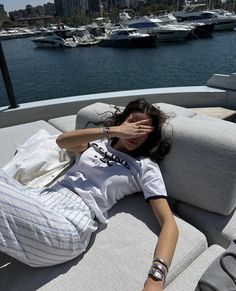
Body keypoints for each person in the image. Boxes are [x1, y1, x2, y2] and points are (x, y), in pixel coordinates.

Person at [0, 98, 178, 291]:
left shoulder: (145, 166)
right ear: (123, 120)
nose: (137, 131)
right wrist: (114, 131)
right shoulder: (100, 142)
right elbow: (61, 141)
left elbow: (169, 224)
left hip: (70, 223)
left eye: (145, 129)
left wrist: (155, 278)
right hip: (41, 199)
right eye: (134, 122)